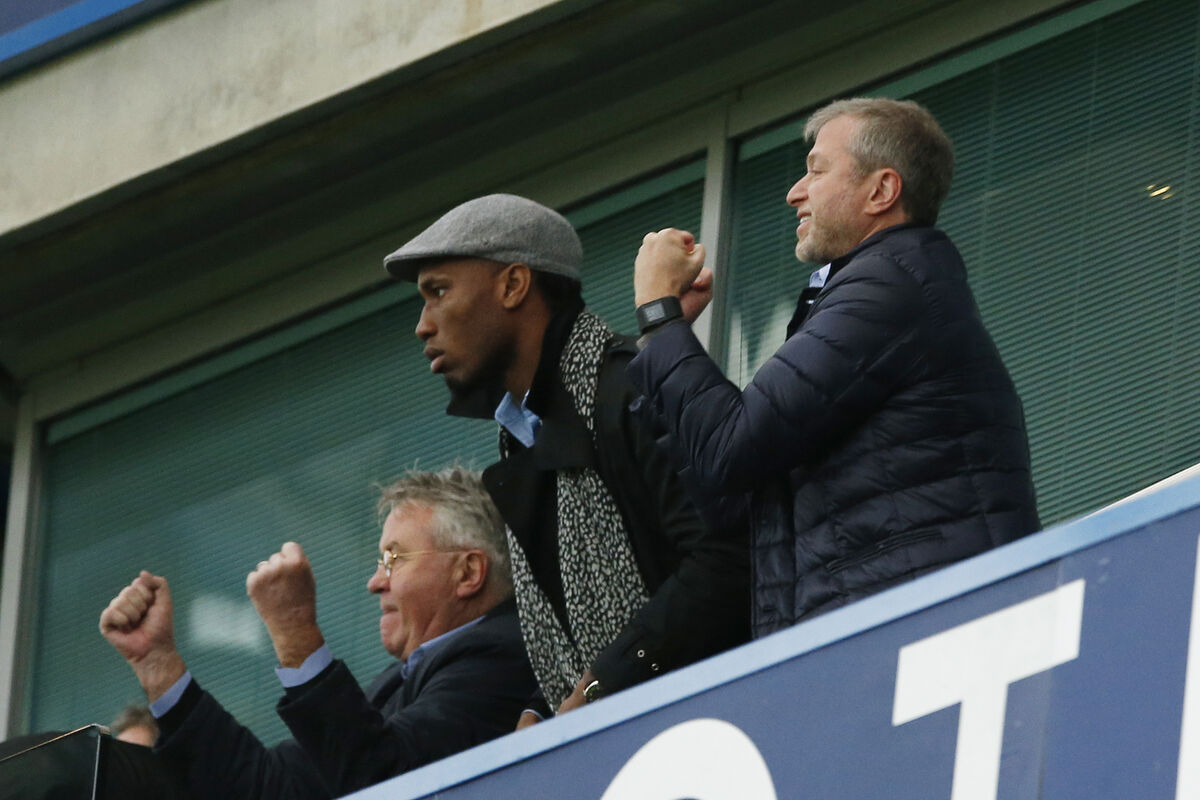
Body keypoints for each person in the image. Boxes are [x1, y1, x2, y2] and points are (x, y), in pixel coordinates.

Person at [628, 97, 1041, 638]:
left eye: (817, 171)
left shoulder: (887, 285)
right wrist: (665, 337)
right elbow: (734, 500)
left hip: (917, 627)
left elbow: (731, 445)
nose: (794, 193)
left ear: (881, 191)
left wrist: (659, 317)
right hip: (880, 627)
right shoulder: (882, 287)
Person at [383, 194, 749, 721]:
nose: (423, 324)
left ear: (513, 285)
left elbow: (729, 556)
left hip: (718, 720)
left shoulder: (628, 388)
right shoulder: (523, 437)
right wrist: (542, 708)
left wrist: (603, 685)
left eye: (438, 292)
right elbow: (576, 625)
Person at [98, 466, 535, 799]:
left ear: (468, 572)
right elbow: (266, 787)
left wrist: (295, 632)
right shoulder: (395, 683)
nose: (375, 582)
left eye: (394, 559)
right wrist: (158, 665)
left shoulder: (505, 654)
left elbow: (389, 782)